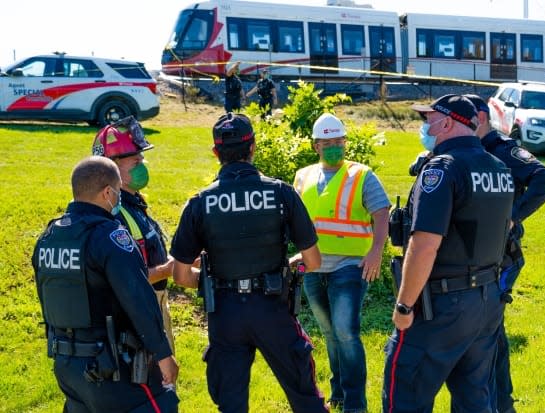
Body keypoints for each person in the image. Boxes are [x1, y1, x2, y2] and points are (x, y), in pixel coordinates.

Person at [170, 113, 328, 413]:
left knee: (231, 404)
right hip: (273, 309)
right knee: (306, 398)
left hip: (225, 313)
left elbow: (179, 274)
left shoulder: (200, 202)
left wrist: (209, 281)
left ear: (216, 153)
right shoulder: (281, 193)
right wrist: (293, 264)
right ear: (253, 147)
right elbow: (314, 260)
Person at [382, 94, 515, 412]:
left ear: (447, 122)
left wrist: (404, 305)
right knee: (474, 398)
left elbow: (425, 244)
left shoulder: (442, 168)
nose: (425, 127)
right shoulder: (499, 168)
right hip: (485, 300)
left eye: (428, 120)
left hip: (441, 305)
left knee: (406, 393)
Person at [32, 156, 179, 412]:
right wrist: (163, 354)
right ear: (109, 192)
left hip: (68, 366)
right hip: (113, 365)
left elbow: (47, 299)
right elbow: (138, 300)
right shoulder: (110, 236)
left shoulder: (49, 237)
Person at [464, 94, 545, 413]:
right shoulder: (471, 151)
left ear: (479, 117)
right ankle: (501, 404)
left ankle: (498, 404)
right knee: (491, 332)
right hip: (478, 256)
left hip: (503, 255)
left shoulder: (502, 149)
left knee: (487, 333)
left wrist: (513, 215)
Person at [293, 113, 390, 413]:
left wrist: (376, 251)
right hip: (313, 267)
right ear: (316, 146)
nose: (335, 147)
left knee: (346, 330)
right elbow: (298, 221)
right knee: (329, 332)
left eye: (339, 142)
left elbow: (382, 212)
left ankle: (355, 404)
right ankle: (337, 394)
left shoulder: (361, 175)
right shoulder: (303, 176)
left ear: (345, 143)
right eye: (328, 143)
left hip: (350, 266)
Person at [92, 116, 176, 354]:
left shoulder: (132, 203)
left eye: (142, 159)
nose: (142, 165)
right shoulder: (111, 215)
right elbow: (124, 279)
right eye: (135, 161)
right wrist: (169, 269)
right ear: (111, 166)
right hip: (135, 315)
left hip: (152, 305)